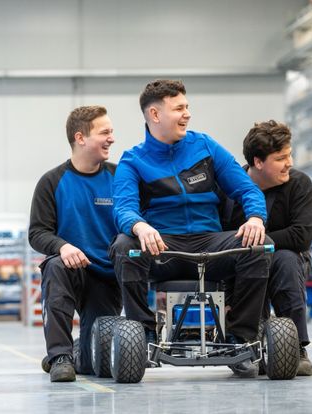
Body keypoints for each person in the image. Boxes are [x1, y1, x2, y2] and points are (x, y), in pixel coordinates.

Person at [109, 79, 272, 378]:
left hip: (210, 243)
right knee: (124, 246)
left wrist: (255, 218)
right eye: (179, 108)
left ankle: (240, 338)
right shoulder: (133, 161)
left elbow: (247, 189)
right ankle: (143, 336)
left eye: (187, 107)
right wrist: (140, 226)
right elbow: (123, 208)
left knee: (259, 247)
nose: (187, 114)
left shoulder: (205, 146)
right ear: (155, 115)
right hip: (164, 249)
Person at [29, 105, 122, 382]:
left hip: (106, 276)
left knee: (98, 365)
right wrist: (63, 246)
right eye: (104, 132)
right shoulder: (52, 182)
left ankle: (79, 352)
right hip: (71, 269)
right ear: (80, 138)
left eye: (111, 132)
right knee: (55, 266)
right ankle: (60, 356)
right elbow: (37, 232)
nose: (112, 138)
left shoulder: (119, 178)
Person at [219, 120, 312, 376]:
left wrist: (256, 241)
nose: (289, 163)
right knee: (251, 261)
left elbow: (301, 236)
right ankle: (247, 343)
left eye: (289, 155)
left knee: (284, 260)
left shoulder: (299, 184)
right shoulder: (228, 189)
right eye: (281, 158)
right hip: (237, 265)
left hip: (288, 260)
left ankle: (295, 348)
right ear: (258, 162)